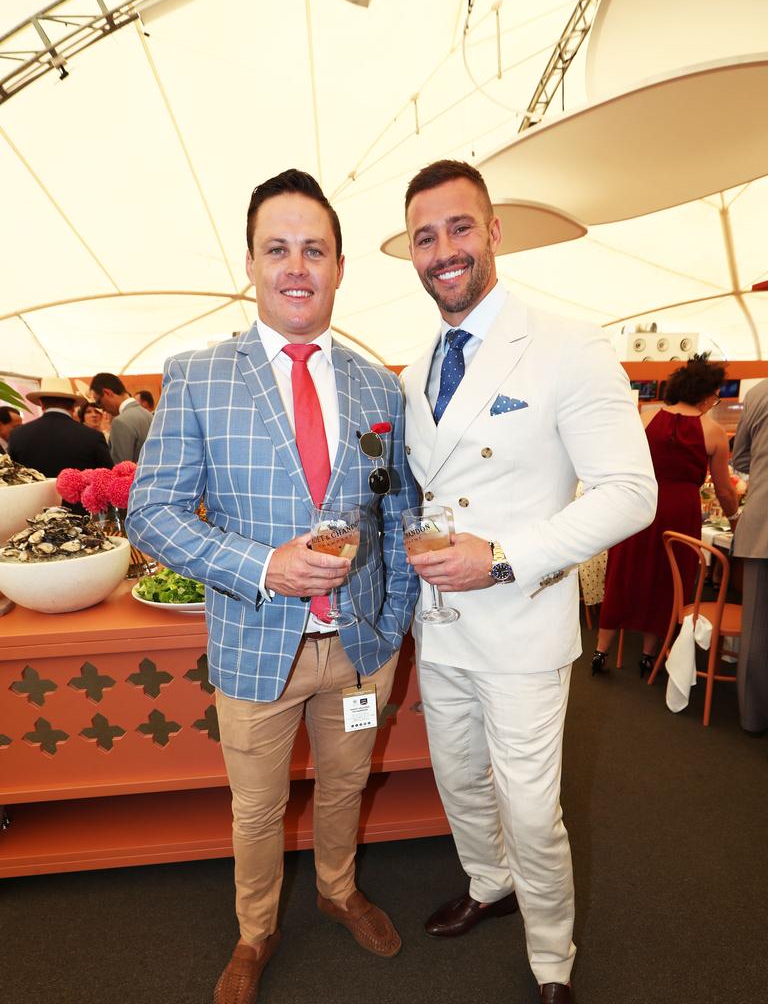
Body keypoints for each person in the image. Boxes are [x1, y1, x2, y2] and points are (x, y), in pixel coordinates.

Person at [126, 169, 419, 1004]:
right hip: (257, 647)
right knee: (255, 813)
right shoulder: (197, 375)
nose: (298, 266)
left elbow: (396, 517)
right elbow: (152, 514)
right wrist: (262, 567)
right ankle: (255, 932)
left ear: (338, 265)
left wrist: (391, 626)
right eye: (278, 248)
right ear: (250, 262)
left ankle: (336, 888)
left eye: (315, 249)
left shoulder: (377, 386)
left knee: (347, 785)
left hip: (359, 651)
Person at [399, 160, 657, 1004]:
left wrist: (501, 557)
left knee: (530, 806)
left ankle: (552, 955)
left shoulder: (566, 345)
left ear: (494, 231)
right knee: (459, 777)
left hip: (520, 620)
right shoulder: (416, 370)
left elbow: (631, 494)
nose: (444, 250)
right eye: (426, 236)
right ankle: (487, 883)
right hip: (441, 624)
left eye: (460, 227)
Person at [594, 355, 738, 677]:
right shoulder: (712, 432)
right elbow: (725, 491)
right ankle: (648, 656)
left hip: (639, 505)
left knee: (625, 571)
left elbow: (623, 462)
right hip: (680, 512)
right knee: (667, 579)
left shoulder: (647, 417)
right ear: (705, 393)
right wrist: (734, 520)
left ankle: (600, 650)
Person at [8, 378, 113, 506]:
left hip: (32, 514)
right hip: (81, 518)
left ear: (41, 403)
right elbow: (107, 479)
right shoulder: (92, 436)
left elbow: (10, 479)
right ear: (74, 405)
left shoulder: (18, 435)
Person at [731, 377, 768, 734]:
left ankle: (754, 717)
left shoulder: (759, 393)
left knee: (756, 626)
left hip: (762, 524)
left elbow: (739, 457)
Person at [89, 372, 153, 464]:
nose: (102, 409)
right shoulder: (148, 415)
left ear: (107, 393)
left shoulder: (120, 421)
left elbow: (120, 469)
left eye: (99, 402)